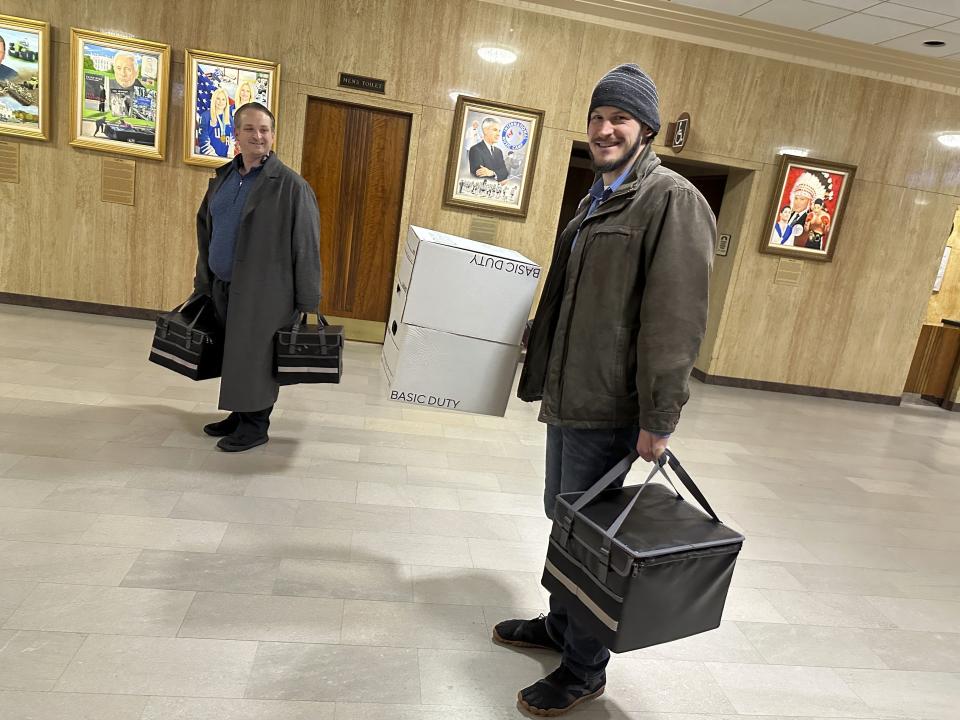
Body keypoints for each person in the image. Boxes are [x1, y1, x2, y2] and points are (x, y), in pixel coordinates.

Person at [492, 64, 715, 716]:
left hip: (613, 404)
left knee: (594, 538)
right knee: (566, 521)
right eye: (597, 117)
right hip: (573, 393)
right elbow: (587, 297)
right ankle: (563, 626)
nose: (605, 128)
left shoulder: (670, 200)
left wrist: (660, 415)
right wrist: (543, 329)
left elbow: (674, 321)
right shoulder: (599, 196)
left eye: (619, 118)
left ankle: (584, 668)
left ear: (646, 127)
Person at [192, 102, 321, 452]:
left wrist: (307, 301)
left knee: (257, 359)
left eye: (264, 129)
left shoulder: (291, 186)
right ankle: (238, 413)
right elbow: (207, 229)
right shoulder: (223, 178)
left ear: (273, 135)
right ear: (235, 135)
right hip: (223, 286)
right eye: (249, 129)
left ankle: (255, 425)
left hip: (267, 293)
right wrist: (203, 281)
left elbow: (306, 244)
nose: (257, 136)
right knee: (234, 354)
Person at [468, 117, 509, 182]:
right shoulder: (475, 149)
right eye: (495, 130)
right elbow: (480, 175)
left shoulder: (498, 151)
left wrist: (492, 173)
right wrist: (498, 174)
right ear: (485, 131)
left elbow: (505, 173)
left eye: (499, 131)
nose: (498, 134)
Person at [197, 87, 234, 157]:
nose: (221, 102)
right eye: (218, 99)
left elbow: (232, 139)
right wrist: (214, 157)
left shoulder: (229, 118)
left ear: (226, 102)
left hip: (225, 159)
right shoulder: (205, 116)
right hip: (209, 158)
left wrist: (229, 155)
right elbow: (203, 140)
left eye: (223, 99)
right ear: (214, 100)